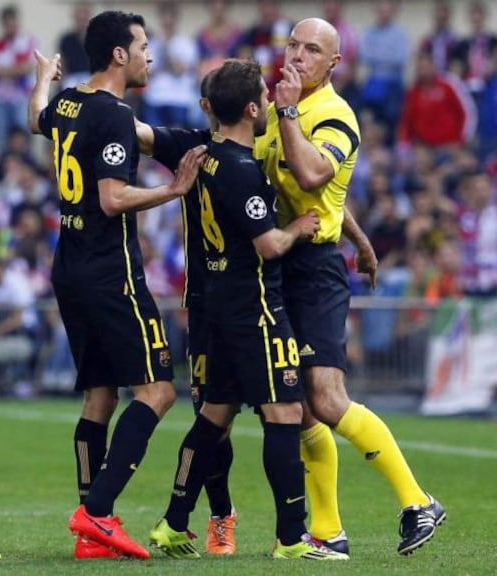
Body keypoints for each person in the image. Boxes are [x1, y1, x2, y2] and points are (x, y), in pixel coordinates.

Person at [146, 58, 346, 561]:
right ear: (254, 108)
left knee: (214, 415)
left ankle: (173, 524)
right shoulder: (240, 170)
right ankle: (292, 539)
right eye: (266, 94)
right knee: (284, 413)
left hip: (213, 307)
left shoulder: (201, 154)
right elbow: (269, 245)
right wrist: (300, 228)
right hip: (255, 308)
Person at [258, 18, 444, 555]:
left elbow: (316, 175)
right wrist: (361, 240)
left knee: (326, 397)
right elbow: (329, 197)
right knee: (301, 408)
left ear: (333, 63)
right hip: (286, 263)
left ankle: (417, 501)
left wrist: (289, 111)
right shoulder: (278, 108)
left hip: (314, 268)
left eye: (311, 50)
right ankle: (329, 534)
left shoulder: (333, 115)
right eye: (292, 44)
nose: (297, 56)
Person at [28, 10, 205, 560]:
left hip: (70, 268)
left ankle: (92, 536)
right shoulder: (113, 115)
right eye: (144, 46)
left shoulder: (69, 102)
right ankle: (97, 512)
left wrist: (43, 79)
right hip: (110, 271)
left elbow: (37, 119)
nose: (151, 56)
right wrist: (174, 188)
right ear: (119, 55)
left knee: (100, 395)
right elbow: (112, 198)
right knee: (158, 390)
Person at [135, 70, 238, 555]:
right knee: (212, 416)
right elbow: (138, 132)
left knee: (293, 415)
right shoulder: (191, 146)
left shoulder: (270, 146)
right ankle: (221, 516)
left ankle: (303, 526)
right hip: (204, 304)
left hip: (260, 299)